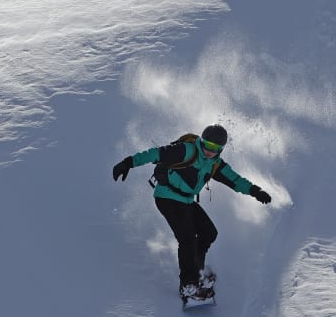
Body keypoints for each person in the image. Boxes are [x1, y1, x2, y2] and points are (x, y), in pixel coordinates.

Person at [113, 124, 272, 297]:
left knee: (209, 232)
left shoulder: (215, 164)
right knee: (187, 239)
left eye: (215, 148)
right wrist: (128, 163)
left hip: (186, 201)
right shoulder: (186, 150)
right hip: (167, 197)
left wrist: (255, 191)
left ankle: (197, 268)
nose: (209, 151)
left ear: (221, 149)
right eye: (206, 145)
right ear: (201, 141)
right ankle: (188, 285)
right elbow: (155, 153)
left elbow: (235, 180)